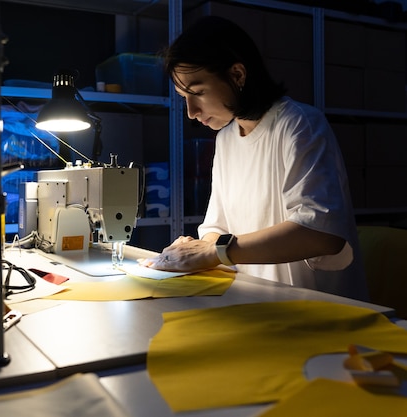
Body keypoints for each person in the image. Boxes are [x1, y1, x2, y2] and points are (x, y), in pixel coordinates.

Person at [139, 15, 369, 301]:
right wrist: (192, 251)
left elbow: (320, 233)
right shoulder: (226, 138)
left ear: (237, 75)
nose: (191, 112)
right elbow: (218, 229)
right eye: (183, 97)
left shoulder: (299, 124)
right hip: (257, 303)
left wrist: (213, 251)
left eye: (197, 93)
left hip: (317, 311)